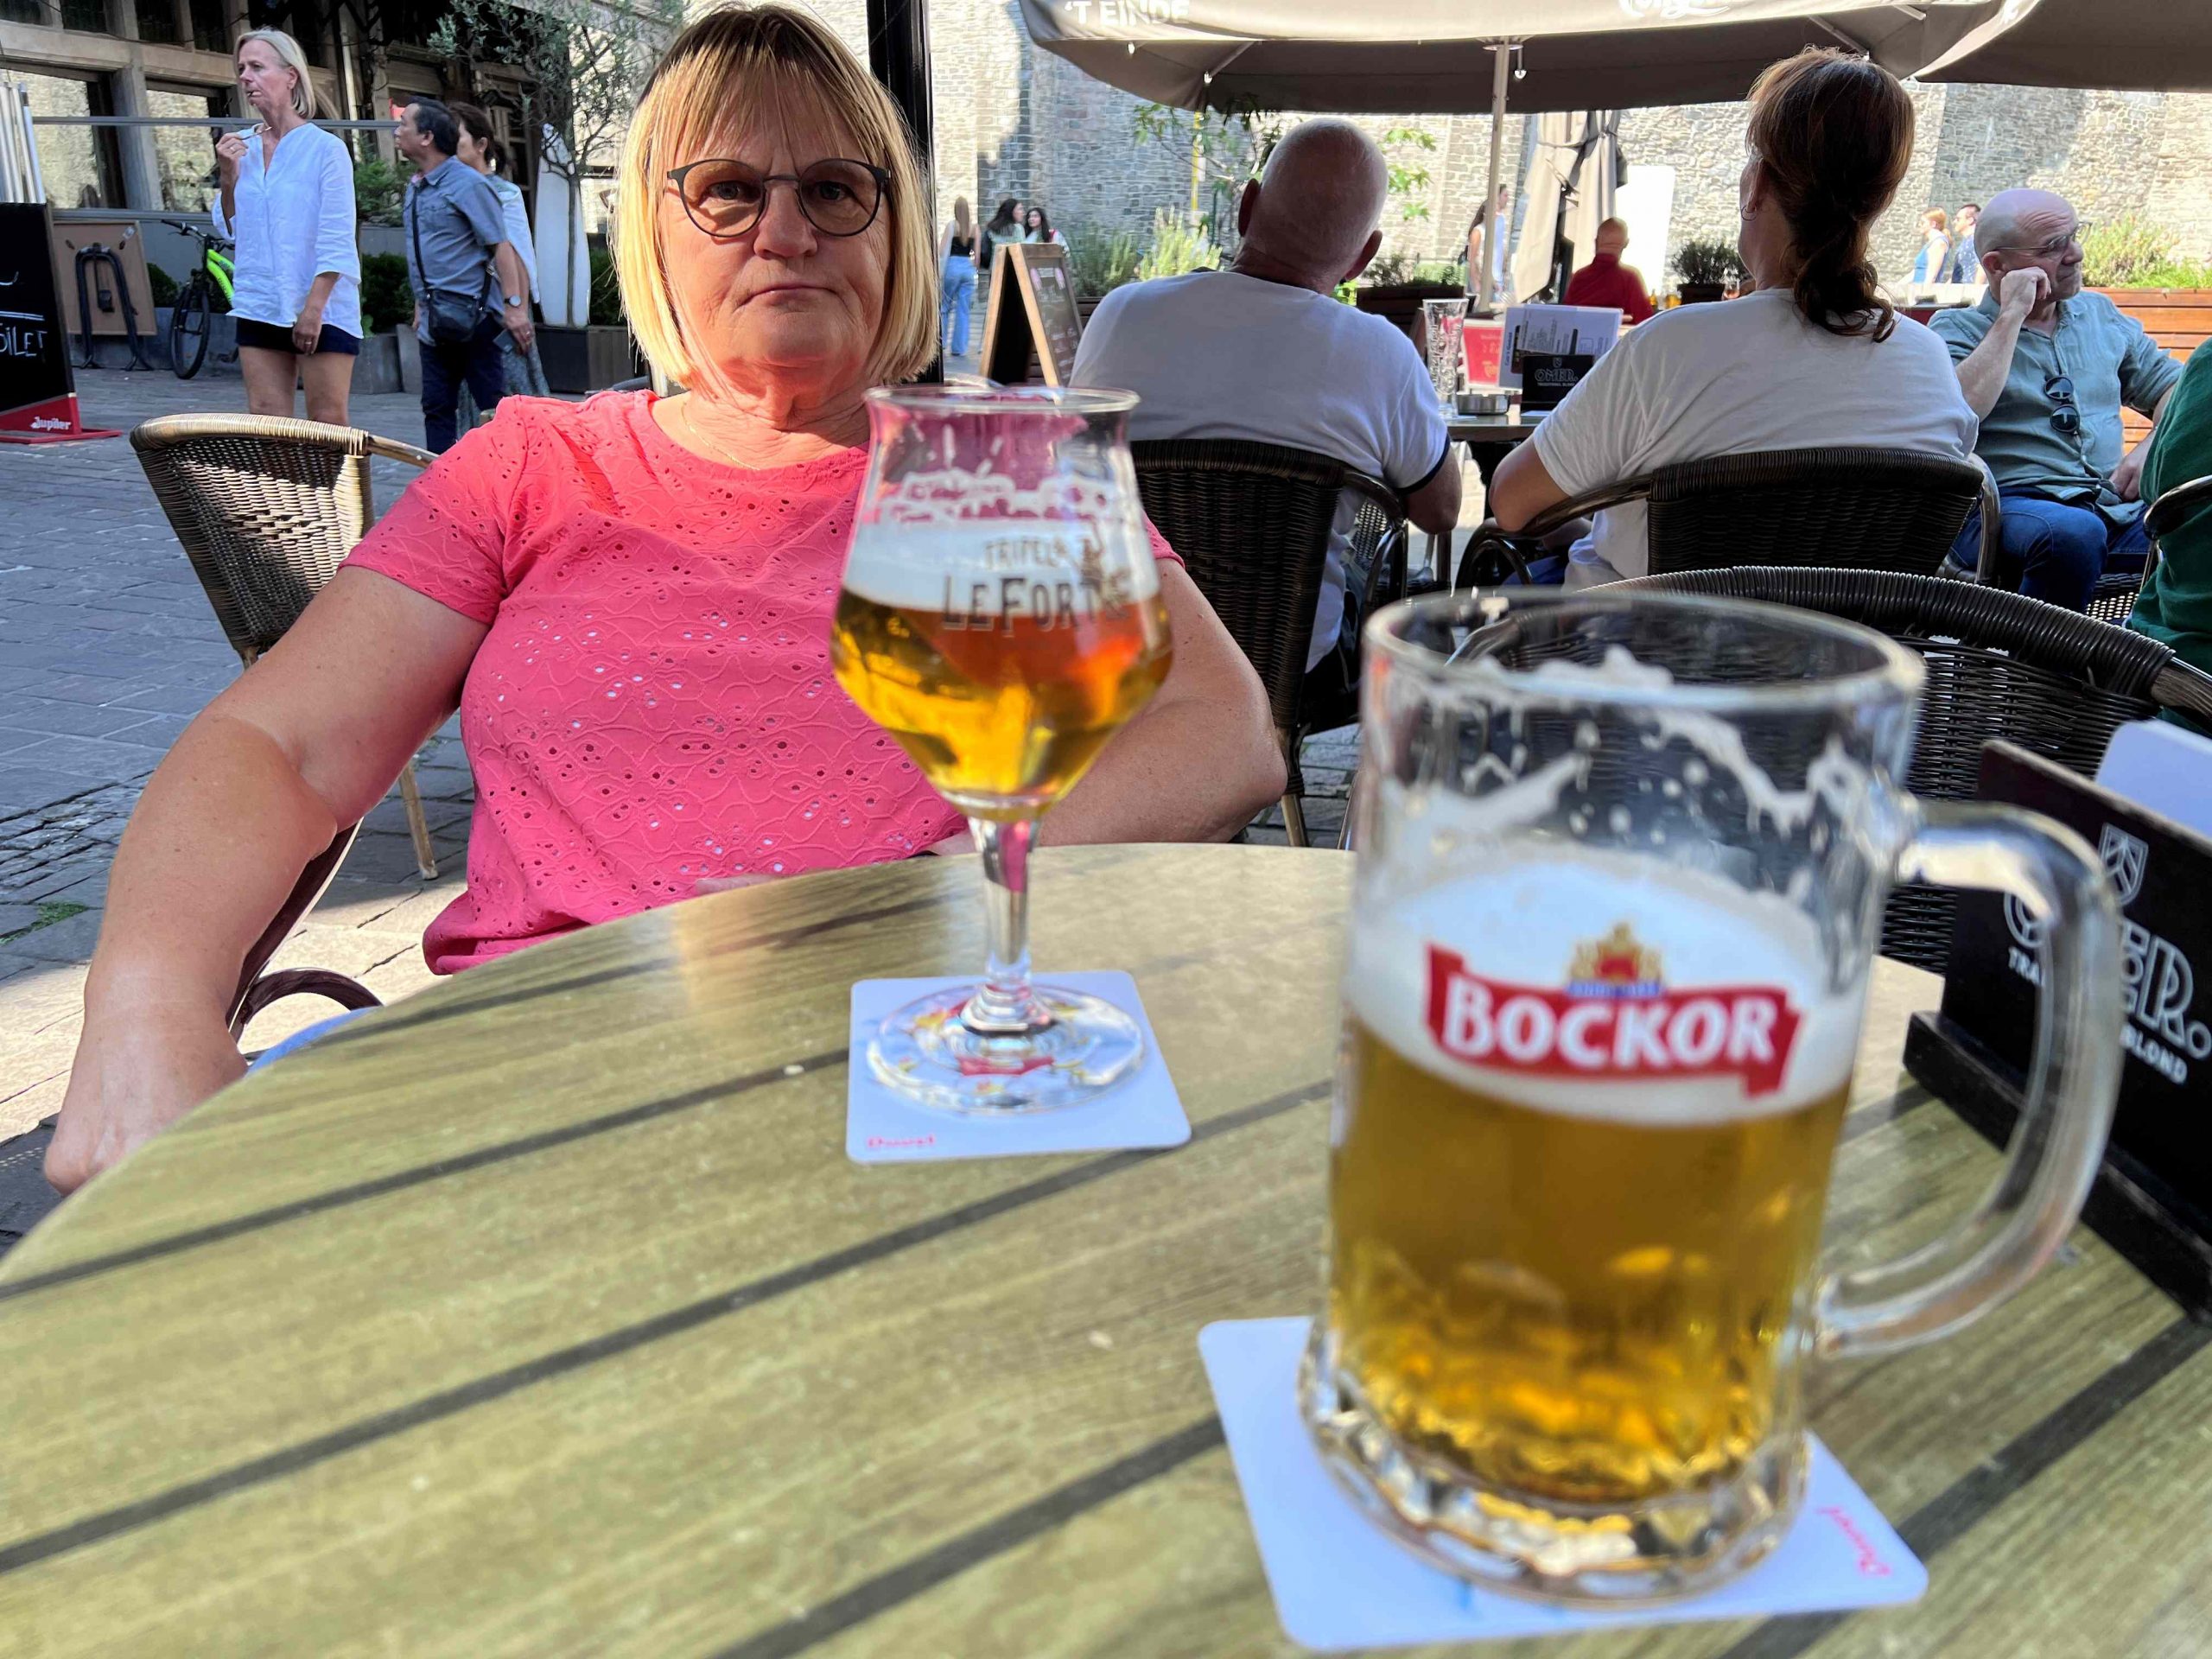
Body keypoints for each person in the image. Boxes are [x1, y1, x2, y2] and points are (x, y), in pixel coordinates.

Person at [49, 2, 1282, 1192]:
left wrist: (913, 913)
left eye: (835, 190)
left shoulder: (988, 466)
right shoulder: (532, 463)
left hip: (902, 1062)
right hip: (539, 1082)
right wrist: (148, 999)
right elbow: (279, 744)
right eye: (729, 191)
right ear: (654, 229)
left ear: (895, 234)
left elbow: (1224, 729)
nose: (785, 231)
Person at [1487, 48, 1975, 586]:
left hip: (1644, 637)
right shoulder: (1928, 361)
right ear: (1881, 199)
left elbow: (1512, 504)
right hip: (1845, 640)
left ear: (1757, 184)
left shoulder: (1672, 348)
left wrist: (1591, 524)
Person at [1071, 118, 1462, 700]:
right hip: (1294, 670)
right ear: (1364, 256)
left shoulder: (1120, 313)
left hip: (1127, 650)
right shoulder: (1383, 353)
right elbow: (1442, 511)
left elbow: (1072, 477)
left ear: (1247, 206)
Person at [1931, 188, 2182, 608]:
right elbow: (1957, 416)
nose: (2075, 254)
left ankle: (2148, 645)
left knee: (2199, 526)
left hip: (2112, 510)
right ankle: (2039, 654)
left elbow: (2175, 387)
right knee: (2073, 533)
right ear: (1996, 265)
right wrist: (2012, 315)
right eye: (2053, 246)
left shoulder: (2099, 315)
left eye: (2074, 236)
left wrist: (2152, 446)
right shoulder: (1956, 329)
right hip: (2006, 512)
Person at [211, 29, 359, 425]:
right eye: (242, 68)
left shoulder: (325, 149)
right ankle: (281, 477)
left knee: (327, 421)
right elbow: (230, 229)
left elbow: (337, 235)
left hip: (321, 303)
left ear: (291, 76)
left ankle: (337, 479)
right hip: (259, 299)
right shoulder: (240, 147)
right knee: (266, 420)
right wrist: (228, 176)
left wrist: (313, 309)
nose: (246, 77)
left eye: (257, 67)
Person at [397, 98, 534, 454]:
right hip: (434, 321)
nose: (397, 131)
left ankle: (507, 474)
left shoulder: (469, 184)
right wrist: (419, 306)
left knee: (492, 409)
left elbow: (501, 246)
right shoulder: (416, 186)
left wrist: (514, 307)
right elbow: (423, 251)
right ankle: (441, 480)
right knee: (436, 407)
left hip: (476, 317)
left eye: (404, 124)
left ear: (426, 137)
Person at [450, 101, 550, 398]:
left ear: (481, 144)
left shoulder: (504, 192)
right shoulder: (450, 190)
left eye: (457, 137)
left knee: (510, 390)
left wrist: (516, 309)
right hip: (466, 308)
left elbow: (518, 253)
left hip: (502, 304)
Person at [2128, 346, 2212, 682]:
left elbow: (2154, 486)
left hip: (2186, 644)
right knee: (2071, 535)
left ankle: (2043, 674)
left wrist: (2149, 443)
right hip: (2034, 498)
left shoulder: (2207, 360)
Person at [1562, 218, 1655, 324]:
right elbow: (1646, 323)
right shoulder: (1631, 277)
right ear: (1626, 243)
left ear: (1596, 241)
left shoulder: (1579, 276)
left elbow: (1565, 317)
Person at [939, 194, 977, 357]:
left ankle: (941, 342)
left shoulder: (951, 226)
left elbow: (942, 251)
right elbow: (977, 256)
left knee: (945, 306)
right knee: (963, 310)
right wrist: (973, 269)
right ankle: (959, 348)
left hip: (952, 267)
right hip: (968, 268)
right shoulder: (975, 228)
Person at [1464, 184, 1510, 296]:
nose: (1496, 214)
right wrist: (1476, 284)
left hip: (1495, 280)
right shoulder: (1478, 231)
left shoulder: (1498, 224)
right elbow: (1473, 260)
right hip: (1482, 282)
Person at [1910, 207, 1952, 286]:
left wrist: (1923, 292)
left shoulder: (1938, 243)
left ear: (1933, 224)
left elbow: (1931, 276)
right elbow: (1916, 272)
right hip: (1917, 287)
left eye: (1922, 222)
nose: (1919, 225)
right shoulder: (1931, 243)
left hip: (1924, 290)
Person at [1944, 201, 1981, 284]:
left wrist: (1977, 289)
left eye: (1958, 219)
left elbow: (1982, 266)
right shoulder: (1966, 241)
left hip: (1968, 288)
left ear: (1970, 220)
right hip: (1959, 288)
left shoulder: (1976, 240)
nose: (1954, 222)